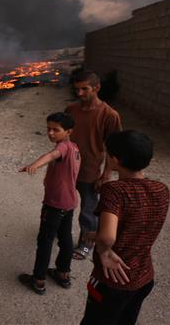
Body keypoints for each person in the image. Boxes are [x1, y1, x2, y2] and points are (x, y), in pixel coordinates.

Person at [81, 130, 169, 325]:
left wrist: (103, 250)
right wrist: (97, 235)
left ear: (115, 160)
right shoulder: (161, 189)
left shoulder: (115, 190)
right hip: (144, 277)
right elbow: (137, 224)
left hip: (113, 281)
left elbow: (108, 238)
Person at [18, 112, 81, 295]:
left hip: (55, 204)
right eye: (48, 129)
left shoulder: (63, 148)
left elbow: (52, 155)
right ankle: (63, 274)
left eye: (56, 130)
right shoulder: (74, 147)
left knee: (45, 241)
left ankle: (38, 280)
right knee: (65, 238)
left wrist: (35, 165)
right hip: (69, 202)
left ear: (68, 131)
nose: (50, 133)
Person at [66, 70, 122, 260]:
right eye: (77, 90)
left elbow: (114, 148)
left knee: (89, 211)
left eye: (84, 89)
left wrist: (106, 174)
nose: (80, 94)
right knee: (63, 204)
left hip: (89, 172)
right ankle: (61, 234)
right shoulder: (72, 110)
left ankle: (86, 243)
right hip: (67, 168)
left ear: (96, 88)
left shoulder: (109, 115)